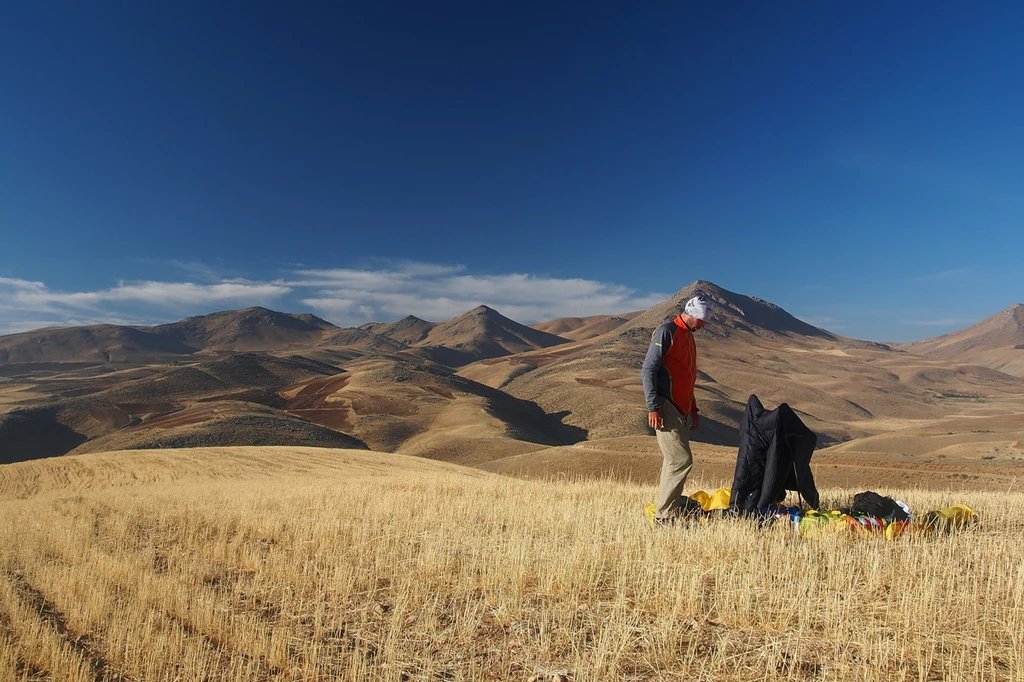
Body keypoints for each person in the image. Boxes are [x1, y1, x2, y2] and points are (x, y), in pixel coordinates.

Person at [641, 294, 711, 523]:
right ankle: (664, 516)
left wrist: (693, 409)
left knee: (675, 460)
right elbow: (648, 370)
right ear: (692, 316)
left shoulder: (689, 337)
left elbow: (686, 377)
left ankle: (671, 506)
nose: (703, 326)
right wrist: (653, 406)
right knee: (680, 460)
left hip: (681, 409)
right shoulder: (667, 331)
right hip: (666, 405)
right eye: (702, 321)